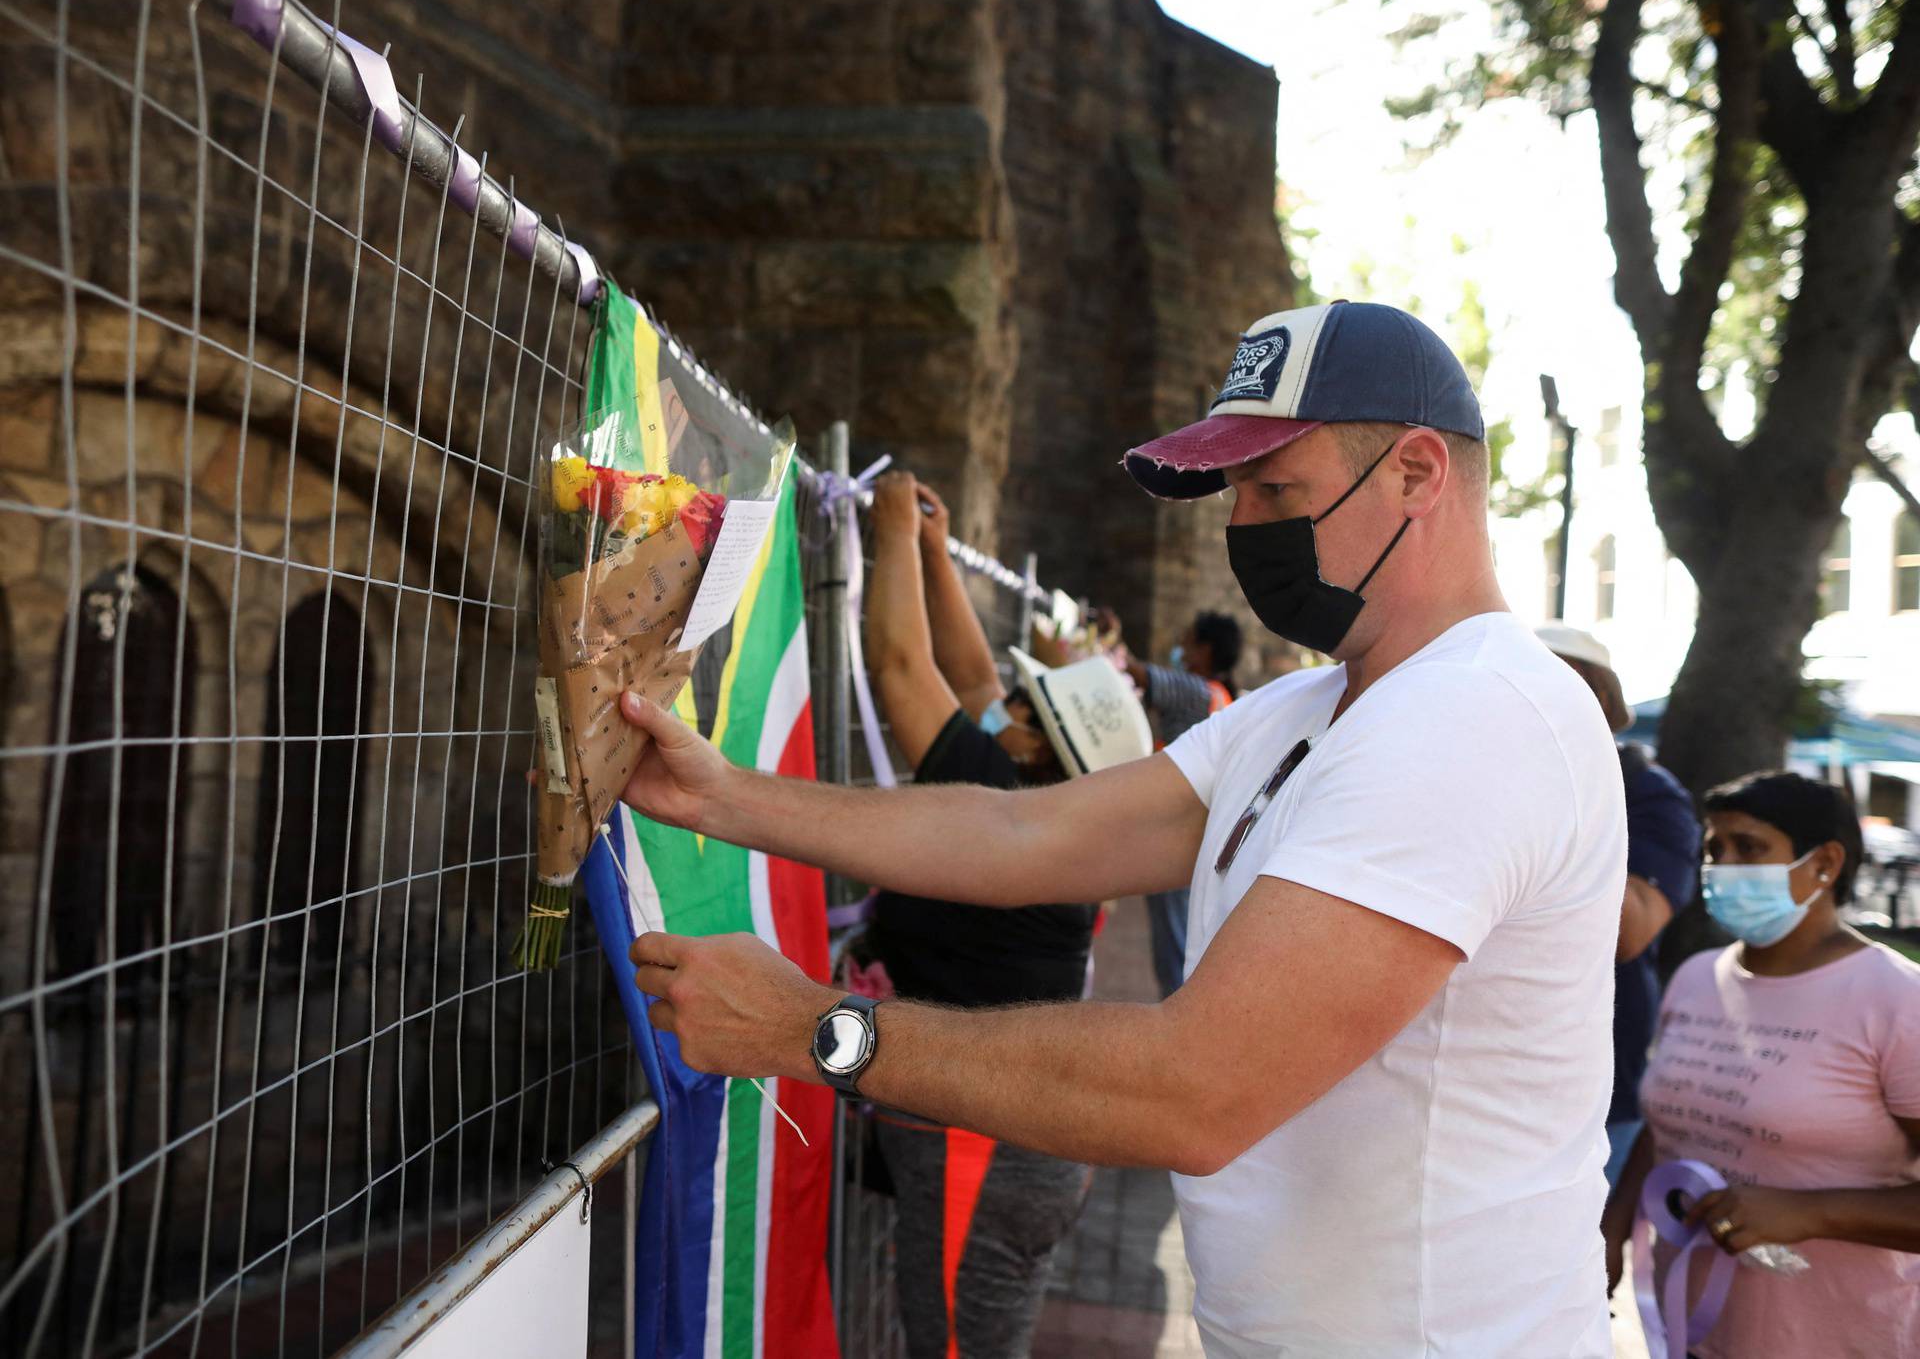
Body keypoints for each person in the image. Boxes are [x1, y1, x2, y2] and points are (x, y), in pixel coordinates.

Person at [614, 301, 1625, 1356]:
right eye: (1236, 492)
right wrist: (725, 797)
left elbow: (1198, 1089)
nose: (1242, 525)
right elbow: (1026, 840)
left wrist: (815, 1030)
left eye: (1277, 488)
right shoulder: (1306, 711)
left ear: (1418, 474)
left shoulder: (1478, 715)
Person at [862, 471, 1152, 1358]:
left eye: (1023, 710)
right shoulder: (1055, 806)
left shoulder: (997, 796)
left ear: (1035, 742)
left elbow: (904, 667)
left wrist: (891, 531)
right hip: (1025, 1143)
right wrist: (937, 555)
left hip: (978, 1152)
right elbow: (978, 678)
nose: (1003, 708)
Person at [1601, 771, 1920, 1357]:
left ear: (1824, 864)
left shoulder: (1897, 1000)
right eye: (1712, 850)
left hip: (1837, 1337)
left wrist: (1811, 1212)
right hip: (1689, 1327)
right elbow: (1670, 1125)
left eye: (1748, 848)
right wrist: (1614, 1223)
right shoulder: (1698, 977)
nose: (1722, 868)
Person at [1537, 622, 1701, 1186]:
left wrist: (1563, 781)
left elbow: (1629, 933)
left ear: (1597, 696)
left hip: (1594, 1092)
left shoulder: (1651, 794)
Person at [1110, 609, 1242, 995]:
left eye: (1187, 641)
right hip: (1202, 831)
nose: (1180, 649)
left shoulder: (1193, 691)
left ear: (1205, 650)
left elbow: (1135, 672)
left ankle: (1178, 1012)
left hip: (1175, 831)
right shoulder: (1223, 696)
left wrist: (1109, 637)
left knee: (1173, 937)